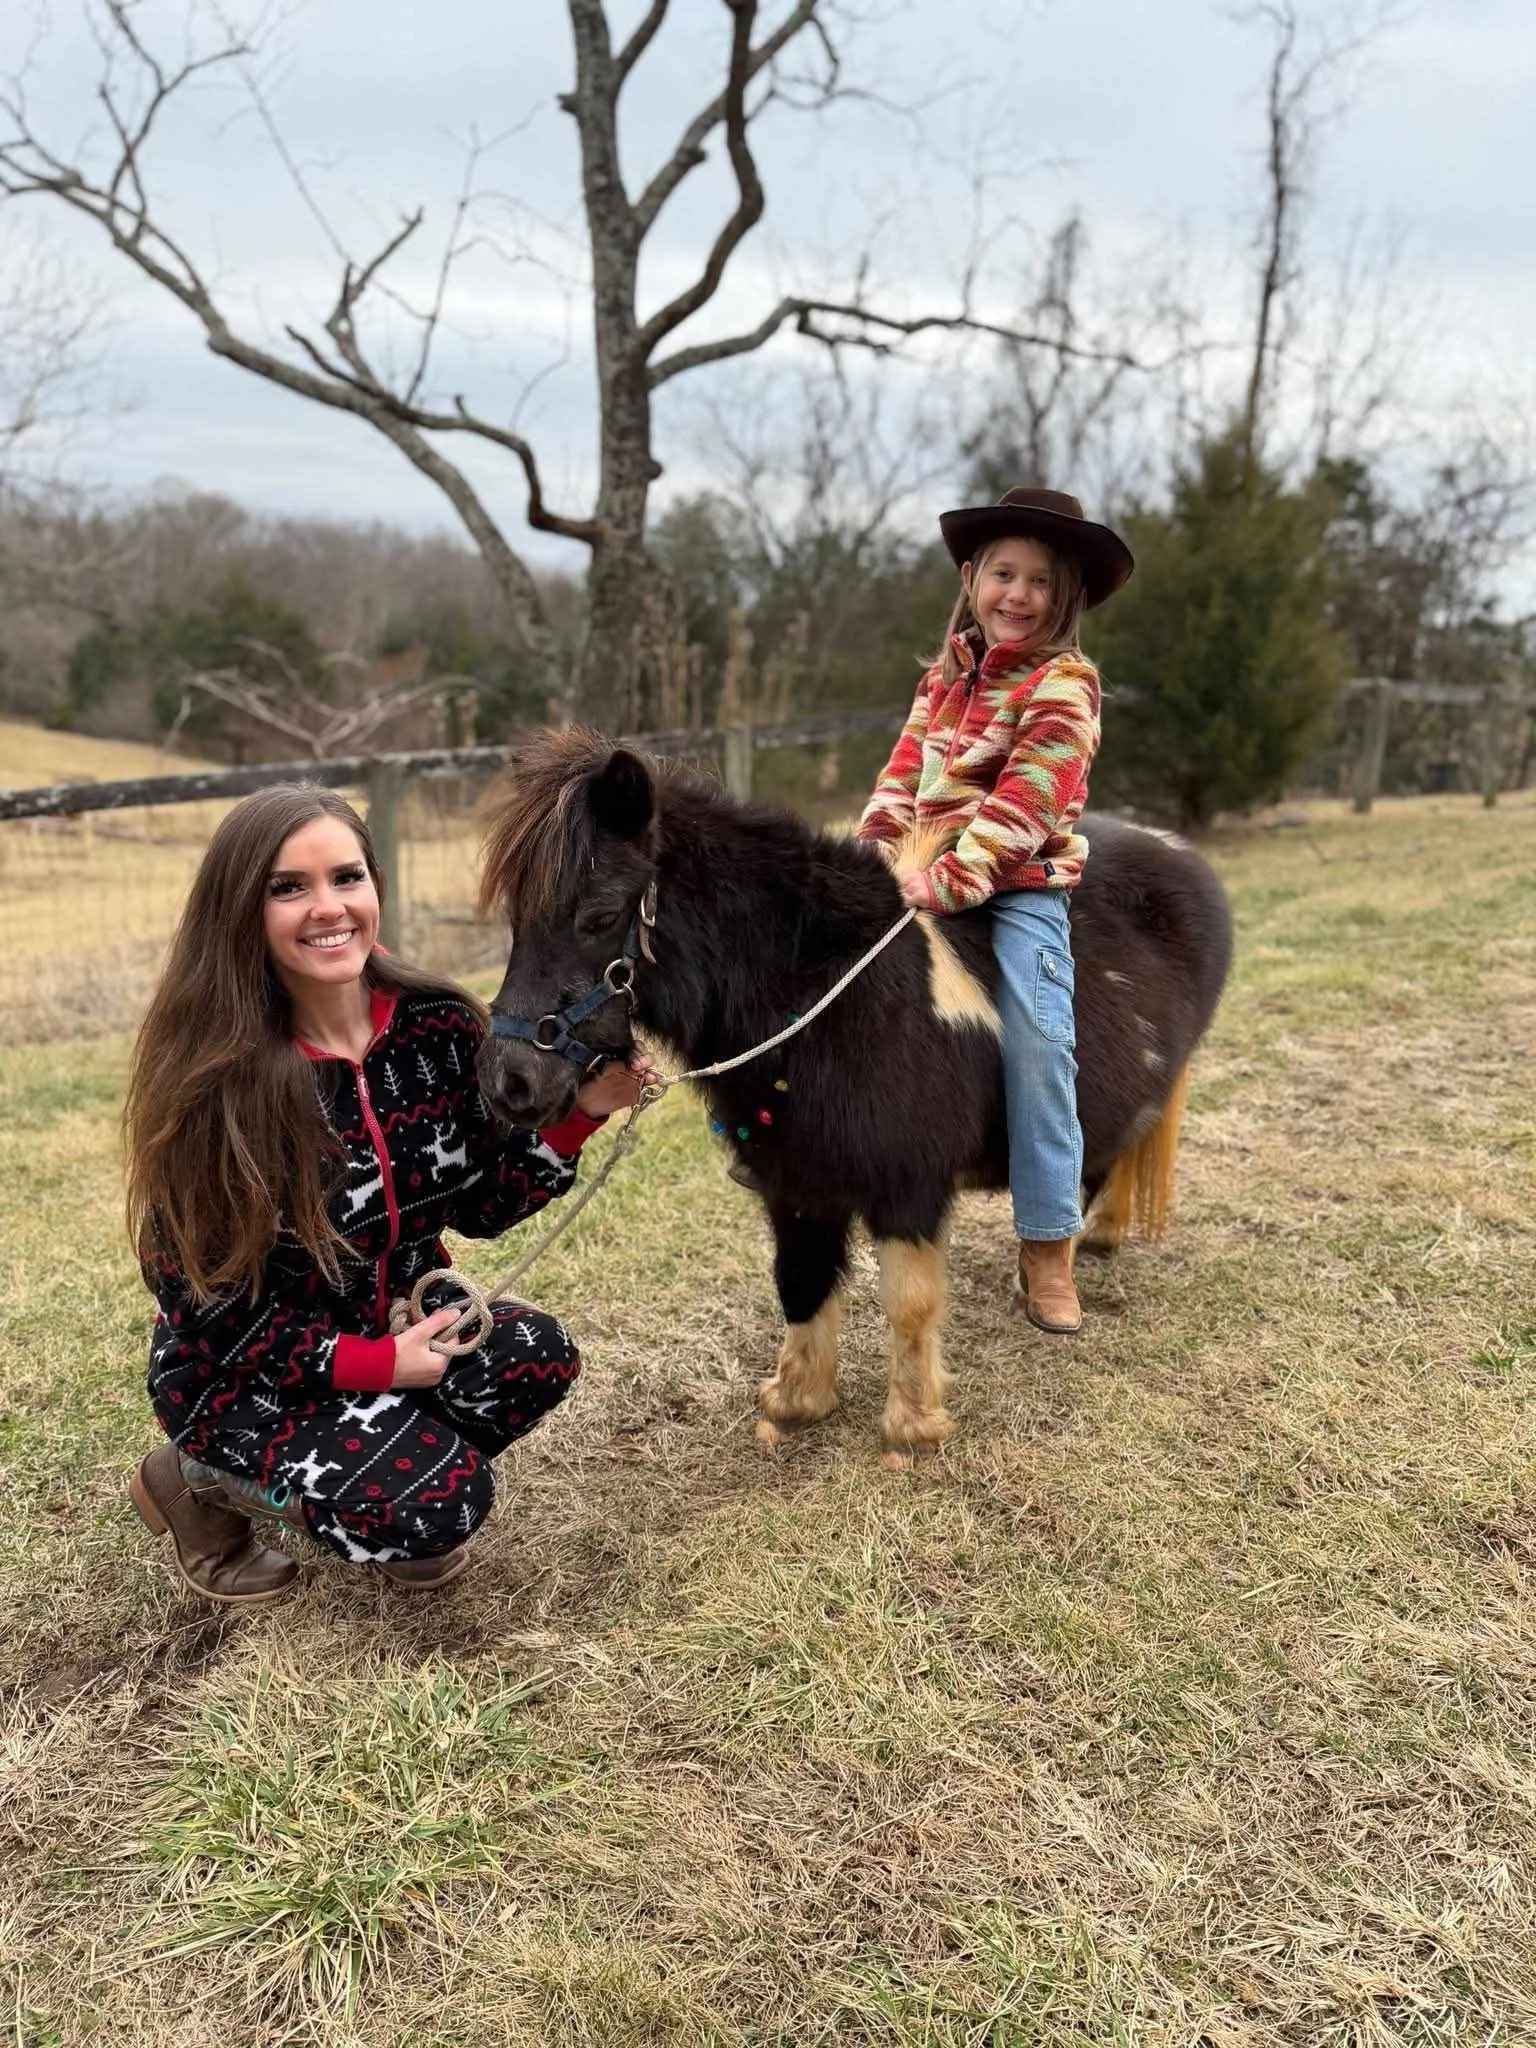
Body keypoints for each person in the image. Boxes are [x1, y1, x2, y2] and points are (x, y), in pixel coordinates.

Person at [123, 783, 644, 1605]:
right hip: (249, 1376)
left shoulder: (438, 1027)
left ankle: (378, 1478)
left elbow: (481, 1205)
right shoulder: (216, 1086)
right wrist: (376, 1366)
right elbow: (205, 1308)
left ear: (376, 886)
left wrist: (577, 1120)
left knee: (534, 1358)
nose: (327, 907)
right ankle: (198, 1479)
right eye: (287, 887)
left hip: (396, 1325)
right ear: (240, 910)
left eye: (347, 877)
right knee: (442, 1503)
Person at [858, 487, 1134, 1335]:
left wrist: (940, 883)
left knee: (1043, 1043)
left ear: (1065, 598)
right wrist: (870, 857)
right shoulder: (940, 680)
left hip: (1016, 890)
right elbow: (901, 778)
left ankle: (1048, 1241)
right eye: (1003, 575)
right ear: (973, 578)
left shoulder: (1066, 685)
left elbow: (1024, 808)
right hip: (913, 873)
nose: (1018, 595)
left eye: (1040, 582)